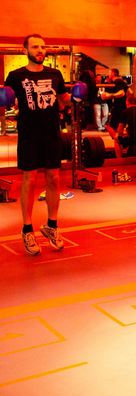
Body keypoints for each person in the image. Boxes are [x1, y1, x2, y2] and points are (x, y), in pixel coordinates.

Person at [2, 34, 77, 255]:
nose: (40, 50)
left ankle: (52, 226)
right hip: (29, 135)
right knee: (30, 179)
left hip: (52, 134)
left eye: (43, 47)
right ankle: (27, 229)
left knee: (54, 178)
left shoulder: (55, 74)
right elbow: (7, 102)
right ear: (25, 50)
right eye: (35, 47)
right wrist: (4, 100)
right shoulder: (15, 76)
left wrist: (76, 98)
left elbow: (63, 100)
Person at [100, 68, 127, 133]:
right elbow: (130, 92)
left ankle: (116, 138)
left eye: (109, 73)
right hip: (122, 106)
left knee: (112, 128)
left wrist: (110, 95)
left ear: (113, 73)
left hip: (118, 107)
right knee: (120, 126)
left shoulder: (117, 81)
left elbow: (122, 93)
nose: (108, 74)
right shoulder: (122, 82)